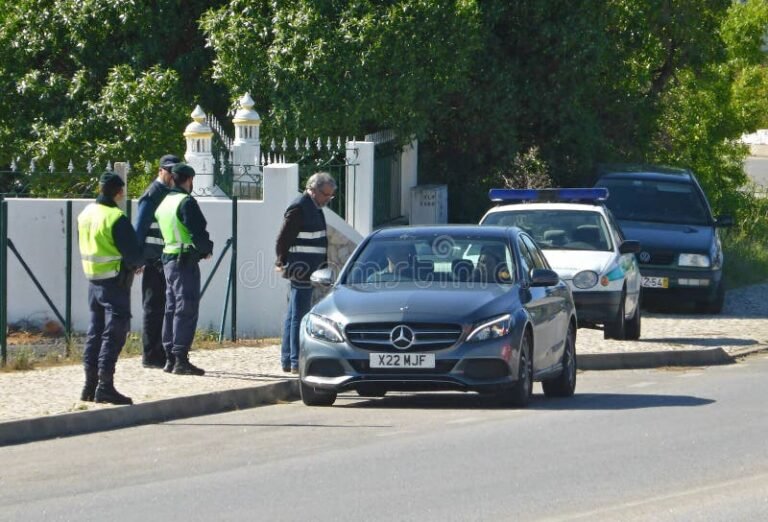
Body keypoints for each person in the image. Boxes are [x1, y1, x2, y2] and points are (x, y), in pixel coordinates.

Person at [77, 172, 142, 405]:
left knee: (95, 331)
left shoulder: (85, 214)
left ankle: (89, 385)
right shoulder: (115, 217)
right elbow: (133, 254)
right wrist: (137, 264)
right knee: (114, 333)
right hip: (115, 282)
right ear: (119, 192)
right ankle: (105, 386)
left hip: (93, 282)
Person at [154, 162, 213, 375]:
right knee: (186, 308)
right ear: (189, 180)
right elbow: (197, 231)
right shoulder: (186, 202)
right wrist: (206, 249)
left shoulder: (164, 202)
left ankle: (170, 357)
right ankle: (181, 358)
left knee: (171, 308)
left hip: (168, 259)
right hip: (184, 260)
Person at [275, 172, 337, 374]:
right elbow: (284, 237)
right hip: (301, 268)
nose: (328, 199)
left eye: (330, 196)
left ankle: (288, 359)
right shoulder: (300, 206)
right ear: (313, 190)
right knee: (299, 316)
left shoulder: (314, 207)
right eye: (325, 194)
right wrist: (281, 260)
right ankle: (294, 361)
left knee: (294, 313)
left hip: (310, 269)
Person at [133, 154, 178, 369]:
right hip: (153, 259)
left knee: (162, 306)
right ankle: (150, 354)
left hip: (164, 257)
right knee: (153, 307)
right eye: (169, 170)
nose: (172, 174)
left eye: (174, 171)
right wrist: (138, 259)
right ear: (161, 171)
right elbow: (140, 229)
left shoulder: (168, 193)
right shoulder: (153, 194)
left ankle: (159, 350)